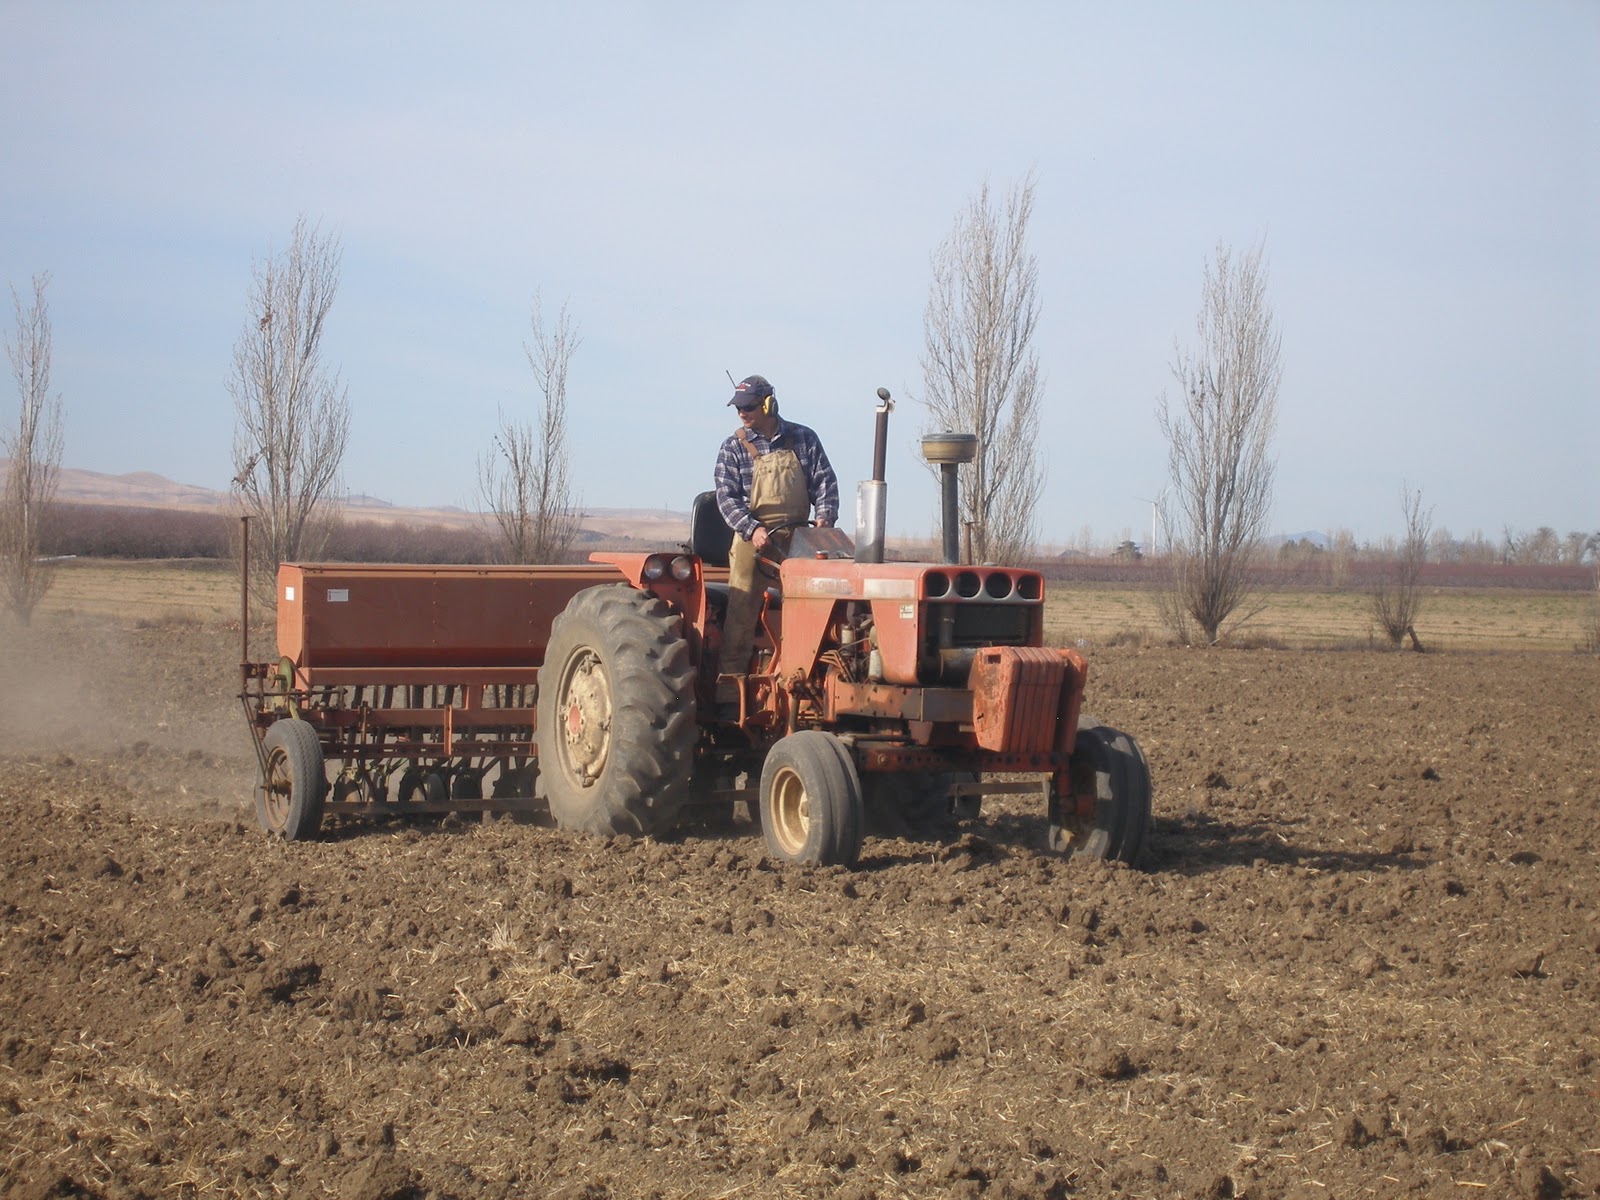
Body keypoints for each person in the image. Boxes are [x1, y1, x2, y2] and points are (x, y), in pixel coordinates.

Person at [713, 374, 839, 685]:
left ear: (769, 404)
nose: (742, 414)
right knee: (741, 610)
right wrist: (751, 528)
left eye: (749, 407)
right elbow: (726, 497)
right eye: (739, 408)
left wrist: (824, 519)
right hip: (752, 539)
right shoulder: (733, 447)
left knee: (813, 607)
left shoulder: (804, 439)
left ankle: (805, 680)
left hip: (799, 537)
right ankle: (732, 686)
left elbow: (825, 483)